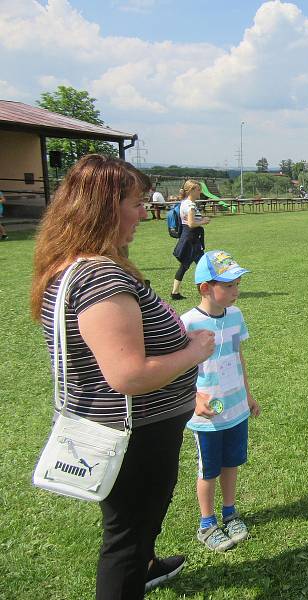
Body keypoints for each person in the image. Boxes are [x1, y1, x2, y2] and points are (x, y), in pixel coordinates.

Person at [30, 154, 216, 599]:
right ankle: (136, 571)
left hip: (129, 426)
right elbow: (128, 374)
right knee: (127, 537)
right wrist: (193, 351)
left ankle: (148, 565)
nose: (144, 212)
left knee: (135, 526)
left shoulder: (72, 267)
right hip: (136, 434)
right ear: (103, 207)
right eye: (135, 202)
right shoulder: (99, 276)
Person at [181, 250, 261, 552]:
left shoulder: (236, 317)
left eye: (237, 284)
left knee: (232, 463)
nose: (235, 292)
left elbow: (238, 357)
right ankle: (207, 522)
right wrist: (193, 400)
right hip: (208, 416)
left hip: (236, 408)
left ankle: (230, 512)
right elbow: (180, 370)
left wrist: (248, 395)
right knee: (209, 469)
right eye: (228, 286)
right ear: (205, 288)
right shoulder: (187, 323)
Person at [171, 180, 210, 300]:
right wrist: (204, 221)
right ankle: (209, 291)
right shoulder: (191, 205)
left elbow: (188, 222)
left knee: (187, 265)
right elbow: (192, 224)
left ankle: (175, 293)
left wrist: (200, 219)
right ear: (192, 190)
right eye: (198, 189)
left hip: (189, 238)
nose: (200, 192)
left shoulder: (185, 203)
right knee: (203, 265)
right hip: (192, 239)